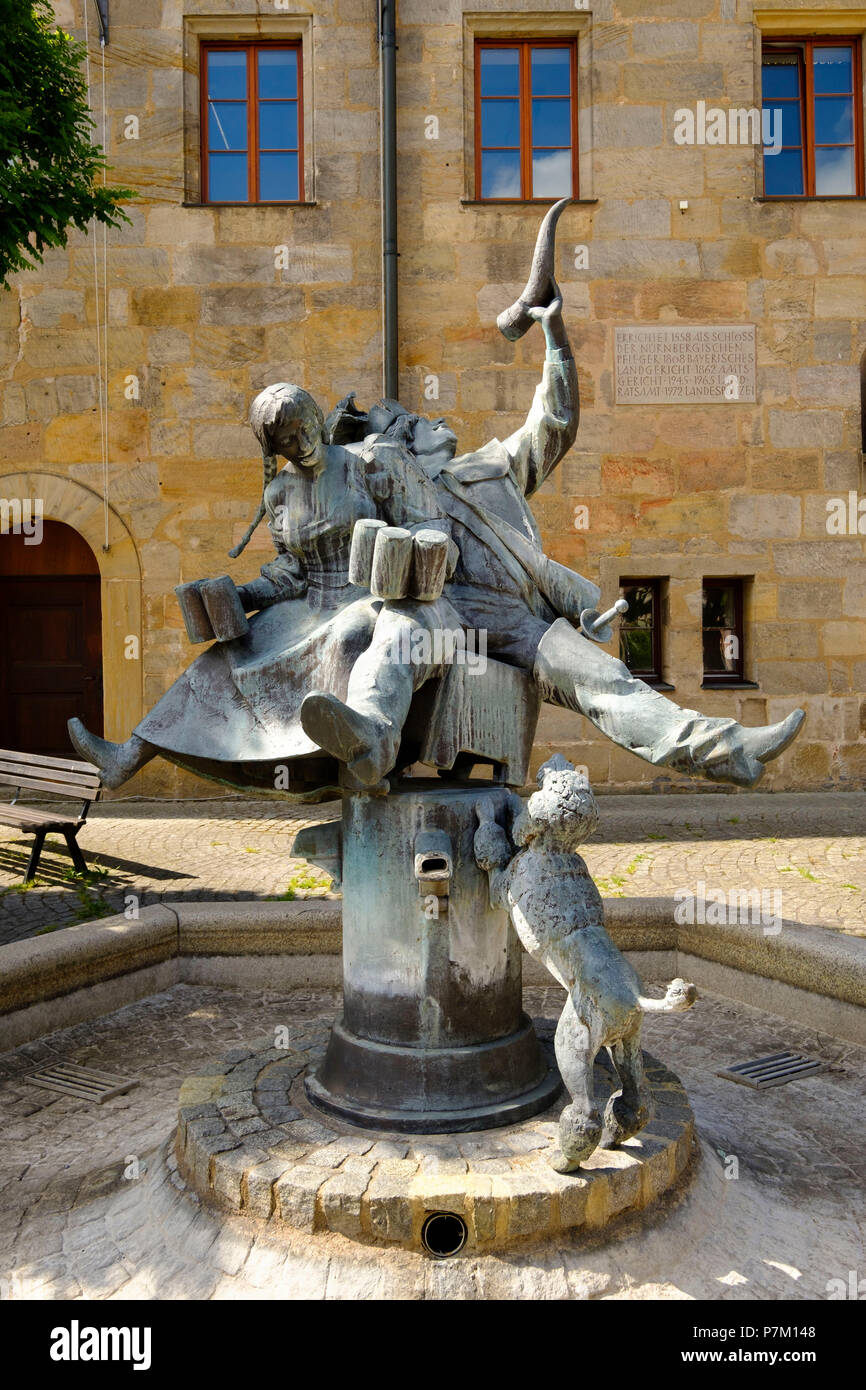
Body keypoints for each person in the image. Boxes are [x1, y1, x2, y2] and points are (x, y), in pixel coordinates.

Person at [299, 294, 805, 789]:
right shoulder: (387, 493)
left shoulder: (490, 468)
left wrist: (555, 339)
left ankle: (731, 751)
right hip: (444, 612)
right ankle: (370, 740)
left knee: (608, 680)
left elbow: (554, 426)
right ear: (405, 448)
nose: (438, 420)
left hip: (517, 623)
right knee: (398, 636)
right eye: (420, 423)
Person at [68, 383, 453, 794]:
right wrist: (240, 596)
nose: (302, 443)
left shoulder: (374, 462)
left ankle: (357, 761)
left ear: (315, 419)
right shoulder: (279, 493)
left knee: (348, 637)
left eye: (305, 428)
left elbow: (431, 524)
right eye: (287, 439)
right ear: (273, 448)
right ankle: (127, 757)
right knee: (222, 658)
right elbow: (290, 572)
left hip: (370, 595)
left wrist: (401, 556)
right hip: (311, 603)